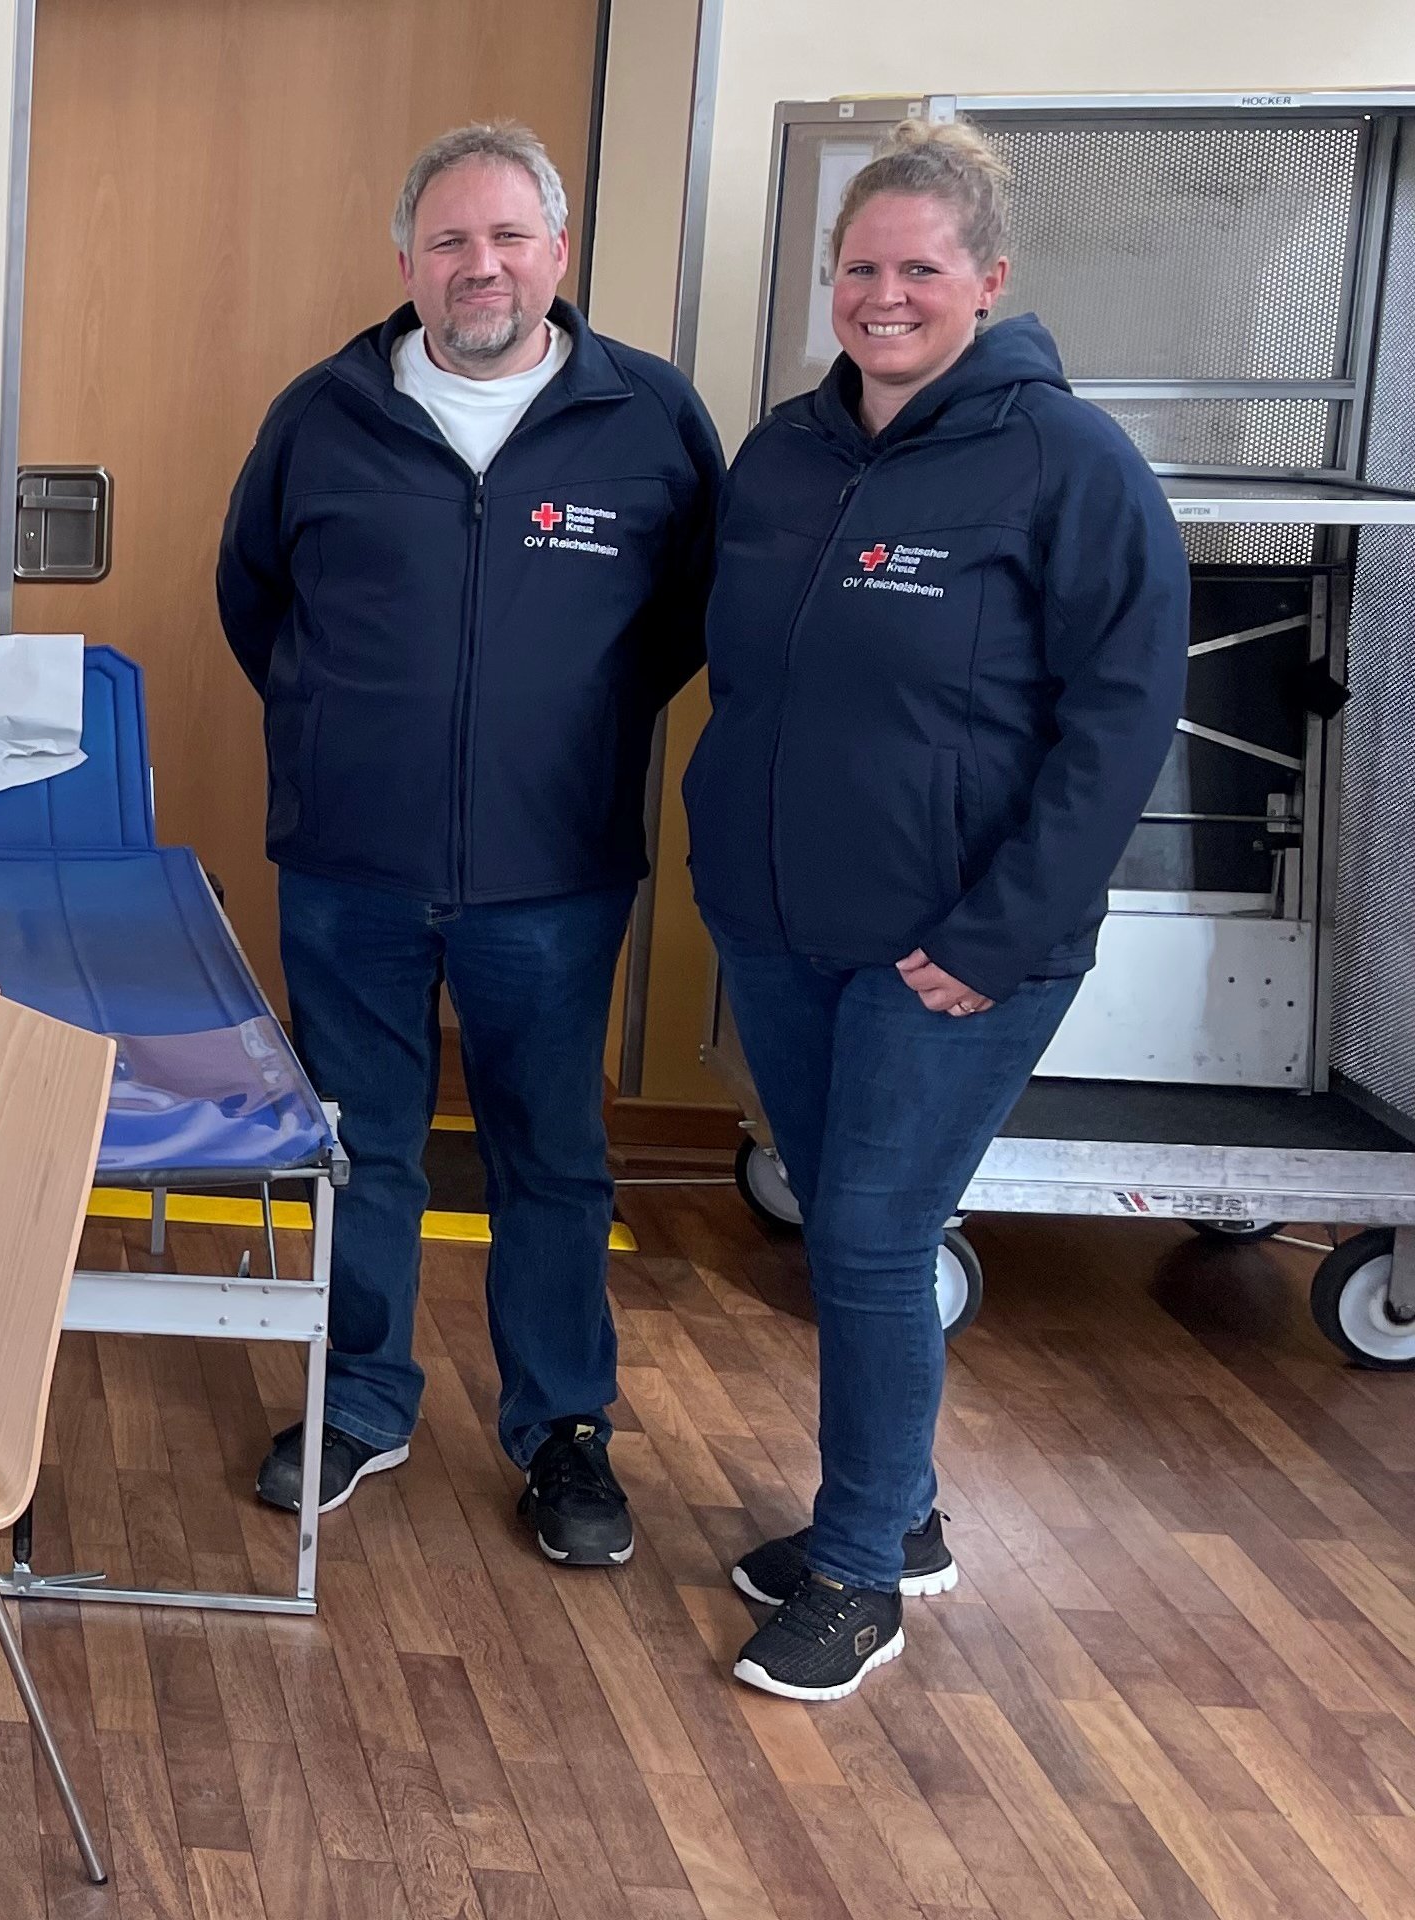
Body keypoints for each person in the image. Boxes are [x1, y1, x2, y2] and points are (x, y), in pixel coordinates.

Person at [690, 118, 1182, 1701]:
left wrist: (986, 940)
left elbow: (1121, 727)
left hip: (956, 954)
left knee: (878, 1238)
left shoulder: (1069, 465)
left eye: (918, 269)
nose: (883, 296)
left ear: (989, 278)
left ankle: (855, 1575)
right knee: (845, 1234)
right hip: (783, 928)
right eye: (861, 269)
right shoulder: (787, 450)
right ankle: (892, 1520)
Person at [215, 122, 724, 1565]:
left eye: (508, 238)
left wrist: (548, 736)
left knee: (549, 1154)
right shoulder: (323, 414)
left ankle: (564, 1431)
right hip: (349, 866)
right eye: (449, 241)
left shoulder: (649, 419)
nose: (479, 265)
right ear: (407, 263)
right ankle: (360, 1401)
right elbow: (255, 598)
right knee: (360, 1145)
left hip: (553, 877)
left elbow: (686, 621)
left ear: (558, 257)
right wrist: (349, 734)